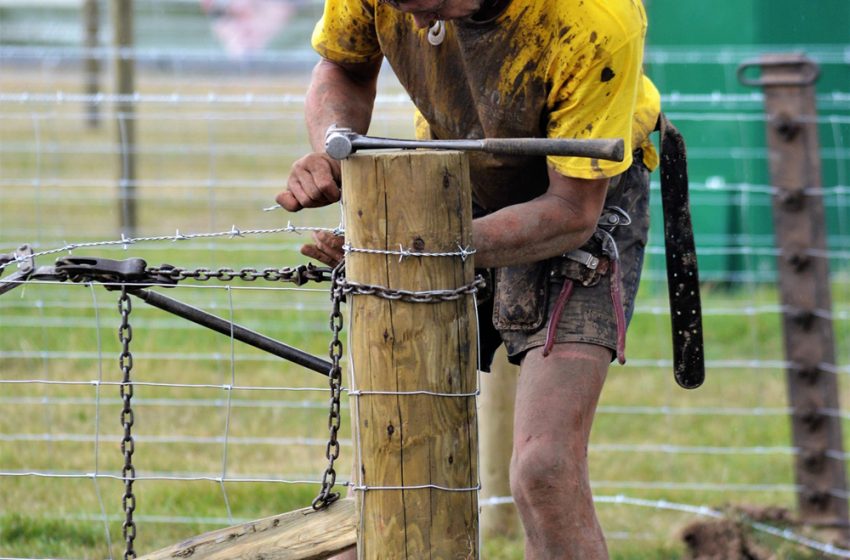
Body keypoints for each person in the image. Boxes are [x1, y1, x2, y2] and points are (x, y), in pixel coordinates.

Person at [275, 0, 661, 557]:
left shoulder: (594, 19)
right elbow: (345, 67)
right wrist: (336, 147)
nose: (413, 20)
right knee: (404, 447)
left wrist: (416, 248)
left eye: (429, 5)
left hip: (585, 198)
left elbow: (572, 210)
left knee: (544, 468)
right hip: (455, 176)